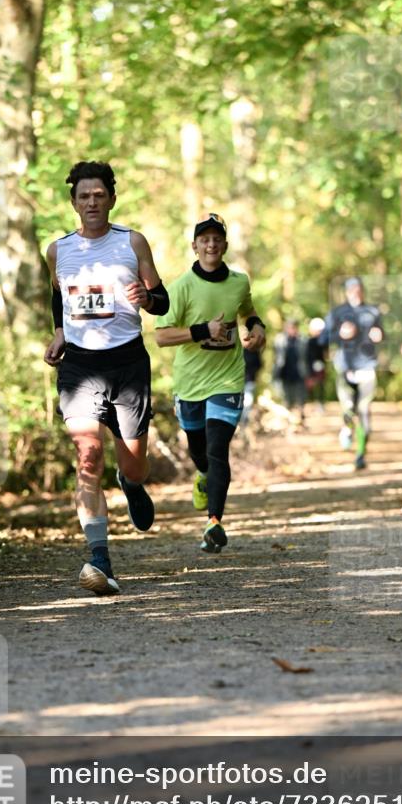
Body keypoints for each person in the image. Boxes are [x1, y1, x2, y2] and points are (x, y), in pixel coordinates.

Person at [44, 160, 169, 596]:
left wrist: (146, 296)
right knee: (88, 456)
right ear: (73, 202)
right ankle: (99, 557)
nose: (92, 202)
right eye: (84, 196)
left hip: (128, 365)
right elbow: (57, 298)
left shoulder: (132, 242)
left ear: (111, 198)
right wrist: (60, 332)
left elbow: (162, 302)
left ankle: (131, 482)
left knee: (133, 462)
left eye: (99, 195)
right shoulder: (58, 250)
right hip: (80, 367)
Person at [154, 214, 265, 553]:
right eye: (205, 239)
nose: (212, 244)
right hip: (190, 383)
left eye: (217, 238)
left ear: (225, 245)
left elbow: (247, 310)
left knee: (218, 451)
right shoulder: (181, 288)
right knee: (199, 452)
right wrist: (204, 330)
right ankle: (202, 478)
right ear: (195, 245)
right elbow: (160, 336)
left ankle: (213, 523)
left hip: (228, 379)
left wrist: (257, 328)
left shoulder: (238, 281)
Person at [319, 276, 383, 470]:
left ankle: (361, 455)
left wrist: (379, 335)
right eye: (352, 288)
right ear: (346, 291)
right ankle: (346, 428)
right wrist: (340, 334)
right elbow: (322, 338)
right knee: (348, 408)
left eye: (358, 288)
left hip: (367, 366)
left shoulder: (372, 311)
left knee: (364, 410)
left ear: (362, 290)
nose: (356, 291)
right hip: (345, 367)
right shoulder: (338, 313)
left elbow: (382, 334)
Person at [272, 318, 307, 425]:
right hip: (284, 373)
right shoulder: (279, 339)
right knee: (287, 398)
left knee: (300, 398)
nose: (292, 330)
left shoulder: (302, 340)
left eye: (294, 328)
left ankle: (301, 419)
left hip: (299, 373)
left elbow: (306, 357)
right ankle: (288, 420)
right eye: (290, 328)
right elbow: (277, 356)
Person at [305, 317, 327, 412]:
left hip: (320, 366)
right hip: (310, 367)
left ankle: (320, 403)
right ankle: (310, 404)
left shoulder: (322, 341)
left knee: (320, 386)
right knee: (310, 386)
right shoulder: (309, 341)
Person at [241, 347, 263, 427]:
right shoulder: (235, 349)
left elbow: (259, 364)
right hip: (236, 383)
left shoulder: (253, 350)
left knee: (247, 403)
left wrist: (252, 373)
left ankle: (244, 422)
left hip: (249, 381)